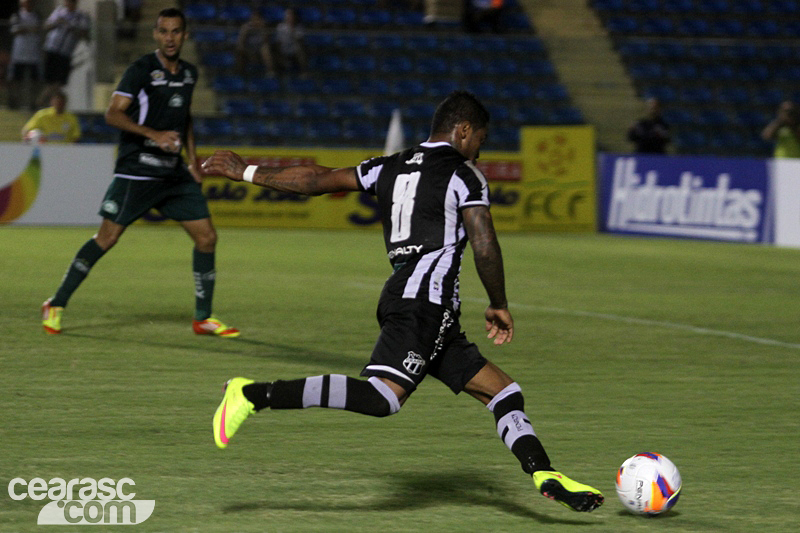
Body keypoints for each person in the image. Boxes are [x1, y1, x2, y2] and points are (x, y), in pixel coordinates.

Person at [203, 91, 604, 513]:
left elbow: (317, 181)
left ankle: (544, 472)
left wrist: (246, 171)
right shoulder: (465, 176)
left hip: (428, 308)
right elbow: (484, 243)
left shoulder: (389, 166)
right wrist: (498, 302)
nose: (480, 151)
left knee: (503, 392)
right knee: (383, 398)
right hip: (422, 303)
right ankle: (251, 394)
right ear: (463, 130)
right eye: (479, 139)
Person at [41, 8, 239, 338]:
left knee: (207, 238)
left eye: (176, 31)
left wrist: (192, 160)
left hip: (174, 175)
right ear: (156, 34)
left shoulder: (189, 73)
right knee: (107, 238)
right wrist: (154, 135)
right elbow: (112, 114)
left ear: (185, 35)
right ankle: (56, 303)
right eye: (164, 31)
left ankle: (203, 318)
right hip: (137, 172)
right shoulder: (141, 70)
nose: (170, 37)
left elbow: (184, 117)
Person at [42, 0, 90, 89]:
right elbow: (46, 26)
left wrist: (70, 26)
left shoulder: (80, 16)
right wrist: (57, 22)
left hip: (65, 51)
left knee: (61, 80)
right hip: (52, 48)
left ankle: (44, 100)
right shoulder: (59, 11)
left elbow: (84, 32)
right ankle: (48, 99)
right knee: (49, 78)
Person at [8, 0, 43, 111]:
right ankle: (14, 102)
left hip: (33, 54)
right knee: (16, 79)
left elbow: (40, 29)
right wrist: (29, 29)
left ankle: (33, 103)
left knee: (34, 80)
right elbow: (15, 30)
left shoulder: (37, 16)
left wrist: (27, 29)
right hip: (19, 53)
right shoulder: (17, 15)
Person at [264, 7, 307, 77]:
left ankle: (304, 71)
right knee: (270, 48)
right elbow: (278, 41)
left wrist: (292, 30)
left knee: (301, 50)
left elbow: (300, 41)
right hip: (283, 50)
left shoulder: (299, 27)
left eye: (291, 15)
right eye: (287, 15)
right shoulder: (280, 27)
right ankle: (272, 71)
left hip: (294, 50)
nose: (289, 17)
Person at [234, 10, 271, 77]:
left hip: (259, 48)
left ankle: (270, 72)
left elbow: (266, 41)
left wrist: (262, 29)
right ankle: (239, 73)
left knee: (265, 49)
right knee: (239, 50)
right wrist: (245, 32)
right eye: (253, 18)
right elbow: (240, 41)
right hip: (248, 48)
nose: (255, 21)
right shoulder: (246, 27)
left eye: (257, 19)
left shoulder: (263, 27)